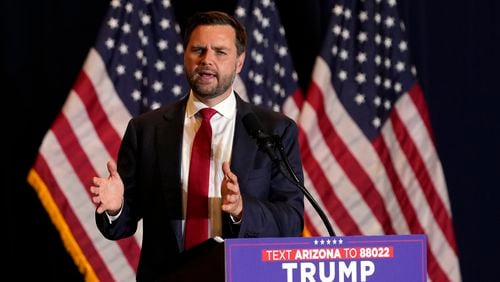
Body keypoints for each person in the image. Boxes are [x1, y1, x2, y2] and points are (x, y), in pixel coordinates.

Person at [90, 10, 304, 281]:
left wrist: (242, 209)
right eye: (198, 50)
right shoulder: (146, 129)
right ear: (185, 56)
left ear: (240, 62)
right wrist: (116, 208)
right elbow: (121, 225)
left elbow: (291, 221)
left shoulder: (274, 130)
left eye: (220, 52)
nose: (207, 60)